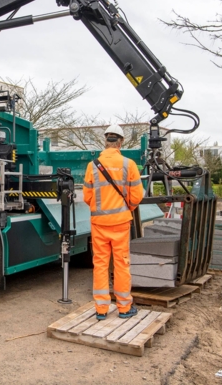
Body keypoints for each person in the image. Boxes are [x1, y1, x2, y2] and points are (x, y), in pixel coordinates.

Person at [83, 124, 144, 320]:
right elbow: (137, 195)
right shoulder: (129, 165)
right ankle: (124, 307)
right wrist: (127, 208)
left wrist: (100, 209)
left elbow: (87, 196)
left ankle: (101, 309)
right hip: (121, 223)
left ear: (105, 140)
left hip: (99, 223)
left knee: (100, 264)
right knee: (122, 264)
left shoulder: (93, 166)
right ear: (121, 142)